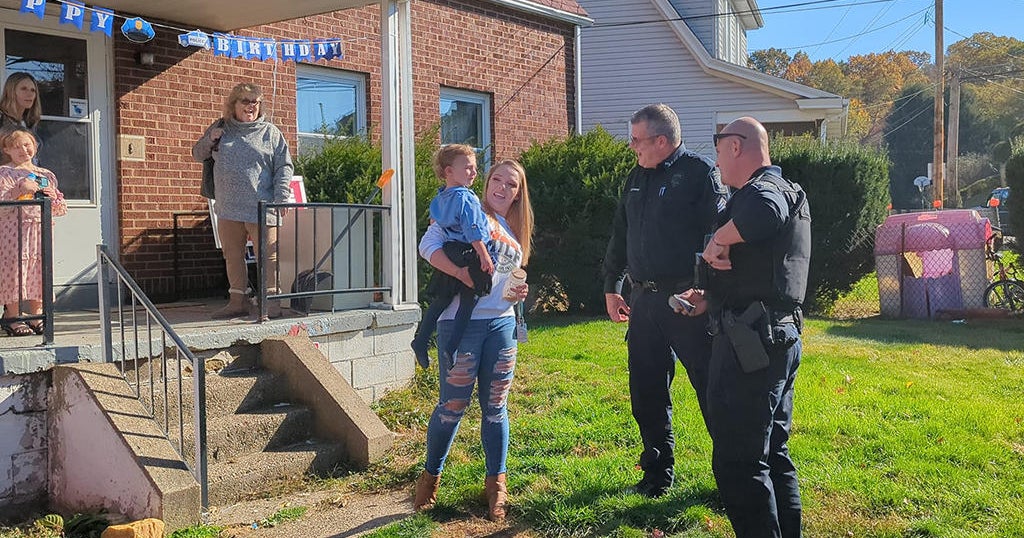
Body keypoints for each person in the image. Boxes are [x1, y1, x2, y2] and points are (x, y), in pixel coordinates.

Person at [676, 117, 810, 538]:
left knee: (739, 461)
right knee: (771, 454)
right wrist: (709, 299)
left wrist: (719, 239)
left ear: (736, 146)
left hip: (753, 344)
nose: (716, 162)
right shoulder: (765, 191)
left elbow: (763, 215)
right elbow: (760, 273)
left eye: (718, 151)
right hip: (771, 335)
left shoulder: (767, 189)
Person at [602, 103, 727, 498]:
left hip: (686, 301)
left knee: (712, 389)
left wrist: (705, 288)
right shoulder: (636, 176)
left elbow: (719, 233)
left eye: (637, 139)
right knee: (647, 390)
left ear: (662, 140)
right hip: (644, 301)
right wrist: (612, 283)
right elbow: (621, 232)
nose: (631, 146)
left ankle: (733, 478)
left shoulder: (698, 173)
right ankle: (657, 472)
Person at [413, 159, 533, 522]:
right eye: (496, 179)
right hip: (460, 324)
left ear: (518, 194)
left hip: (502, 325)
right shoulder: (462, 209)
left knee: (496, 407)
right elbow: (427, 245)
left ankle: (496, 486)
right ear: (486, 183)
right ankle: (430, 479)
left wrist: (518, 291)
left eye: (511, 184)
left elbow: (506, 279)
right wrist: (462, 273)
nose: (502, 187)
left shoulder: (514, 230)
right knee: (452, 407)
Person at [192, 82, 293, 319]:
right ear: (233, 105)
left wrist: (281, 197)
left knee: (268, 255)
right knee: (233, 254)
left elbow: (284, 166)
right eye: (245, 101)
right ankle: (238, 301)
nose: (251, 106)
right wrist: (210, 139)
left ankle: (272, 303)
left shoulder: (270, 132)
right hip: (228, 207)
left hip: (262, 206)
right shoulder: (220, 128)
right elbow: (198, 154)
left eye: (255, 102)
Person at [411, 144, 496, 369]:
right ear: (449, 171)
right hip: (468, 252)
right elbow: (473, 228)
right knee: (468, 301)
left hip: (450, 251)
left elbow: (434, 222)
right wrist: (484, 255)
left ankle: (421, 340)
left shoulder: (440, 198)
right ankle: (450, 348)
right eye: (467, 168)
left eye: (475, 168)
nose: (474, 172)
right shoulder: (467, 198)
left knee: (442, 300)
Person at [0, 128, 66, 336]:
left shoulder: (45, 174)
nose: (23, 149)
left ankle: (37, 315)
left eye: (27, 145)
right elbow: (3, 204)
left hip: (40, 228)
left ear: (35, 147)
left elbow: (59, 208)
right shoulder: (4, 172)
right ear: (7, 150)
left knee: (39, 268)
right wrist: (20, 189)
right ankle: (12, 316)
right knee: (14, 269)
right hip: (13, 229)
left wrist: (52, 196)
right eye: (16, 146)